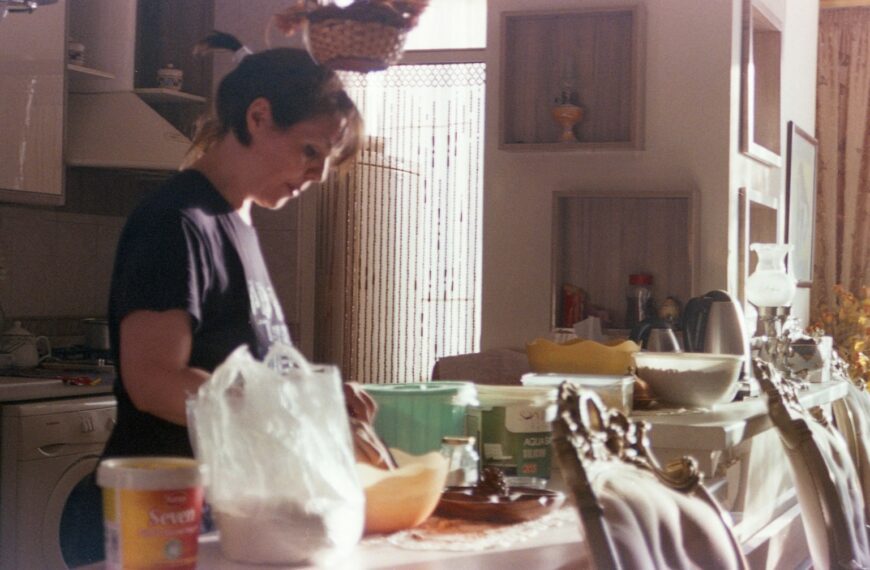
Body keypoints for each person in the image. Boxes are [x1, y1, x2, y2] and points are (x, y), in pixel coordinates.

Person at [101, 32, 387, 463]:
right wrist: (298, 416)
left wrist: (314, 396)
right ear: (258, 117)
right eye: (310, 150)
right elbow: (154, 382)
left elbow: (240, 369)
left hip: (224, 503)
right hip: (166, 508)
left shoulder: (238, 221)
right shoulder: (177, 221)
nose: (319, 174)